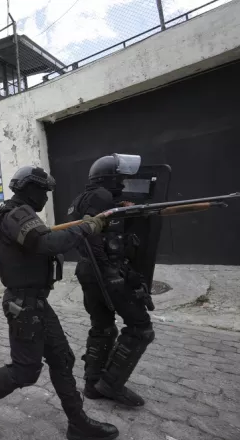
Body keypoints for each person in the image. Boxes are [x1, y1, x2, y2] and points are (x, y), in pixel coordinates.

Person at [0, 166, 119, 440]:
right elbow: (47, 244)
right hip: (24, 304)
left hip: (37, 302)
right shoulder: (15, 214)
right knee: (25, 370)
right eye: (44, 190)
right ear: (29, 188)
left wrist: (83, 226)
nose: (46, 196)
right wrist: (87, 227)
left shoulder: (23, 214)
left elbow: (43, 240)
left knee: (62, 359)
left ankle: (77, 423)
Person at [68, 153, 155, 407]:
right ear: (110, 177)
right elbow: (90, 235)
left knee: (103, 326)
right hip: (107, 270)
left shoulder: (80, 199)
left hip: (87, 271)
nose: (124, 180)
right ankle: (112, 383)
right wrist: (108, 273)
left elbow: (98, 226)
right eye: (121, 176)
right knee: (140, 328)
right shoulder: (102, 196)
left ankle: (93, 384)